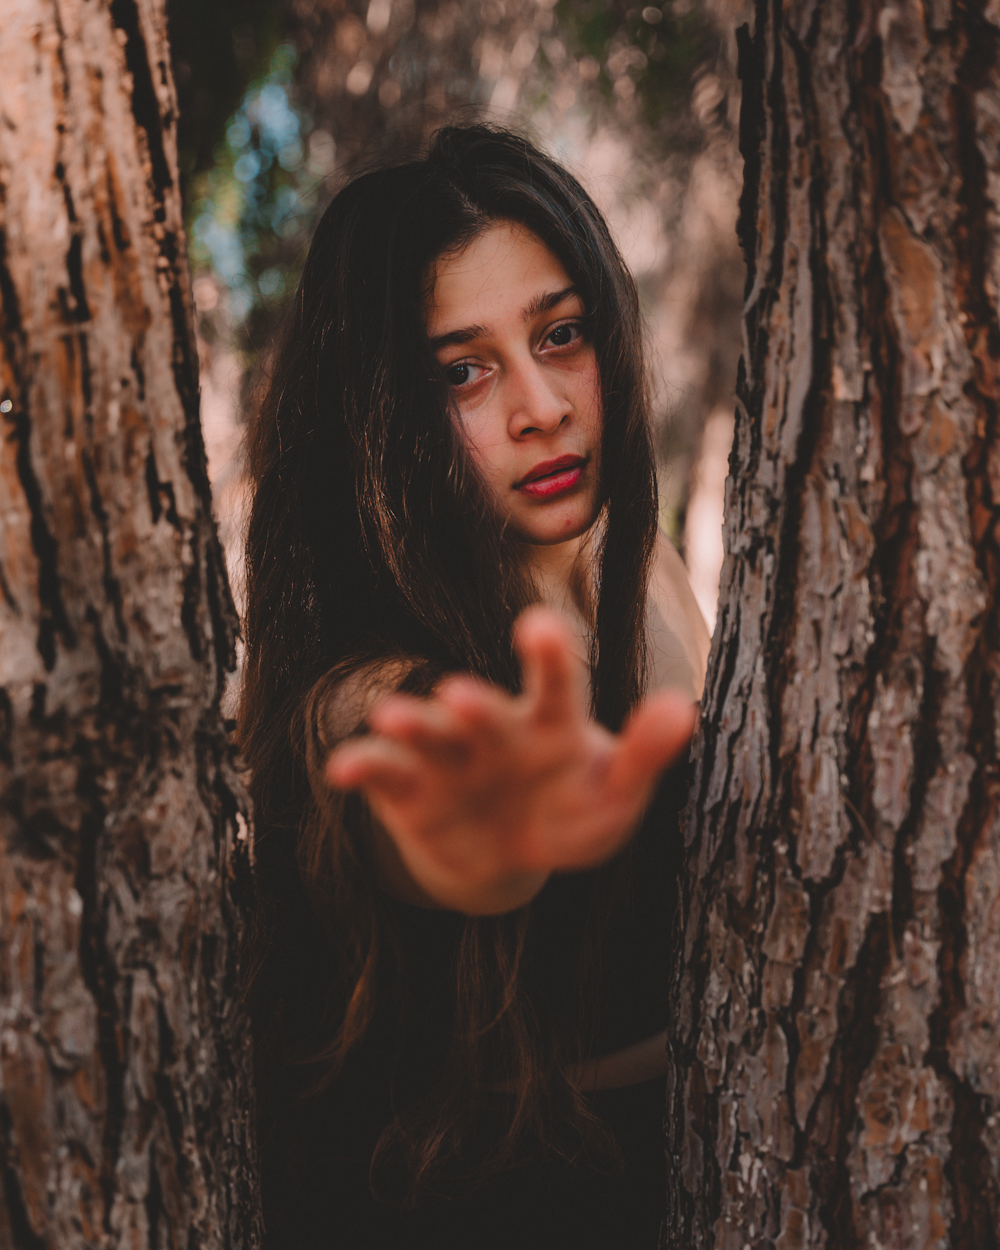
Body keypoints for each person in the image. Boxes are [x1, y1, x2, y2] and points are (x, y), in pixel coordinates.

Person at [238, 124, 710, 1249]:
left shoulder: (625, 554)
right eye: (464, 369)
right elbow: (435, 821)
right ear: (379, 411)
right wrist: (488, 838)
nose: (540, 406)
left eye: (559, 334)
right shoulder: (368, 680)